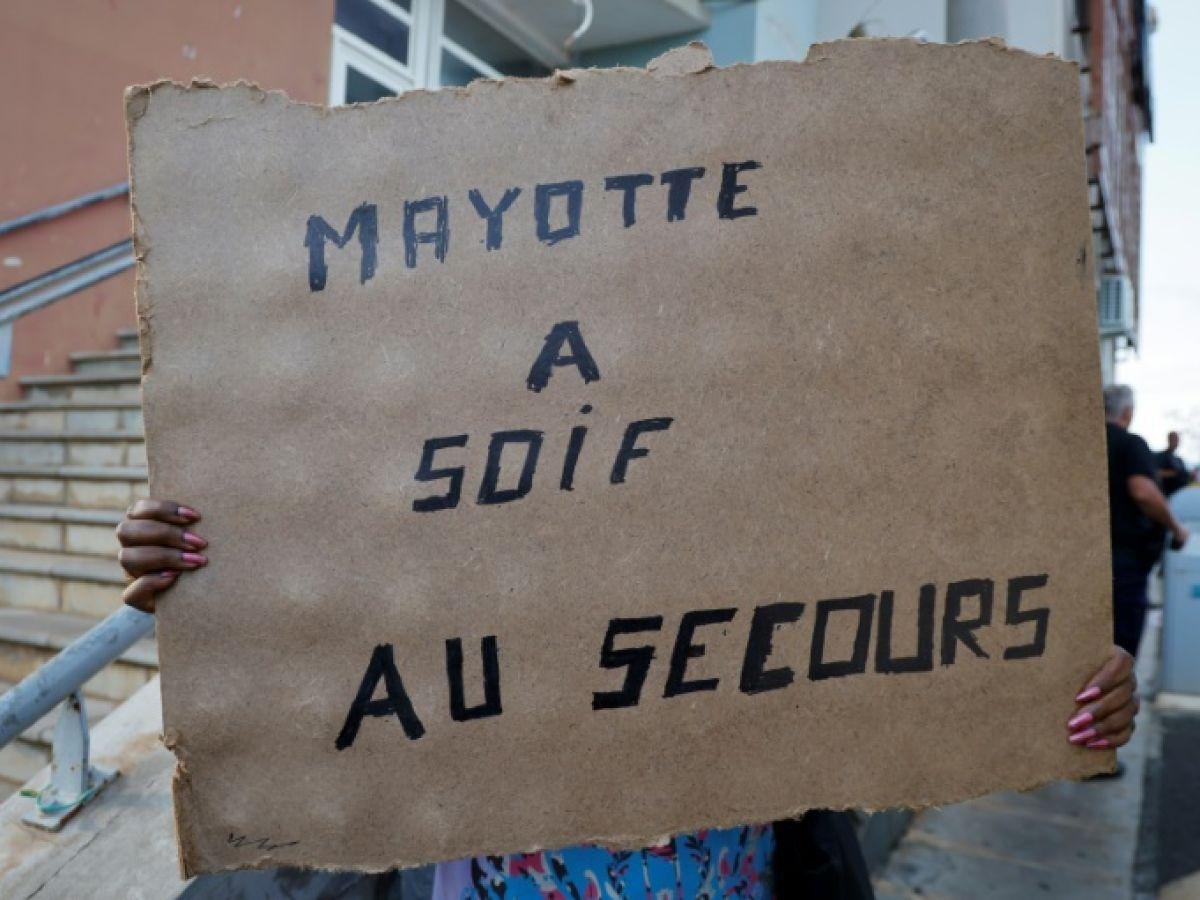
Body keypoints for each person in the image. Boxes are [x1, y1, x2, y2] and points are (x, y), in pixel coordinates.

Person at [117, 500, 1139, 898]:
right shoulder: (443, 564)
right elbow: (322, 635)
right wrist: (213, 570)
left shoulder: (769, 559)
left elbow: (924, 652)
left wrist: (1053, 689)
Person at [1104, 386, 1190, 657]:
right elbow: (1142, 491)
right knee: (1121, 652)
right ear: (1128, 412)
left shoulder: (1084, 444)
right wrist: (1177, 529)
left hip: (1086, 558)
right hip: (1125, 564)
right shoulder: (1130, 444)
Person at [1156, 431, 1191, 497]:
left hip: (1180, 494)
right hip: (1165, 494)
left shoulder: (1179, 460)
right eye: (1174, 439)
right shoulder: (1160, 456)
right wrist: (1174, 473)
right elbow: (1156, 473)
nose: (1176, 442)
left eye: (1177, 440)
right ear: (1169, 440)